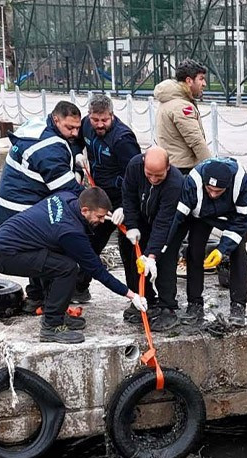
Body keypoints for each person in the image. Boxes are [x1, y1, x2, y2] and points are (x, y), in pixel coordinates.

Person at [0, 188, 148, 344]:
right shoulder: (71, 232)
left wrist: (112, 212)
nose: (101, 221)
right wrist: (132, 295)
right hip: (5, 254)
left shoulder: (65, 197)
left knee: (57, 258)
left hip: (11, 242)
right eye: (99, 217)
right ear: (85, 211)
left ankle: (56, 312)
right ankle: (51, 326)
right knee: (67, 269)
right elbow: (97, 270)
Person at [0, 101, 86, 313]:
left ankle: (37, 296)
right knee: (49, 253)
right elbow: (65, 189)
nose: (74, 133)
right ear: (56, 119)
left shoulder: (38, 127)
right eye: (69, 128)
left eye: (77, 128)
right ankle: (47, 302)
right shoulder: (49, 149)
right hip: (21, 207)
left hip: (8, 204)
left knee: (34, 250)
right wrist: (93, 200)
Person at [152, 157, 247, 328]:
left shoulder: (242, 182)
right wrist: (158, 250)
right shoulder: (192, 182)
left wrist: (222, 249)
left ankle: (238, 306)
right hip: (202, 215)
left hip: (232, 215)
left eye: (218, 191)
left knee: (239, 252)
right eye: (210, 189)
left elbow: (243, 220)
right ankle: (195, 303)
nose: (213, 194)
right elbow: (175, 221)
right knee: (194, 251)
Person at [74, 93, 141, 305]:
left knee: (129, 250)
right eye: (96, 120)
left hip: (122, 199)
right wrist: (77, 158)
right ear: (89, 116)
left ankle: (137, 296)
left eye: (105, 120)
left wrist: (125, 207)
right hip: (98, 197)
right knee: (90, 243)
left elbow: (136, 175)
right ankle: (79, 287)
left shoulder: (123, 140)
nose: (100, 125)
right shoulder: (86, 125)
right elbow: (75, 140)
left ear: (112, 115)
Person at [122, 146, 186, 330]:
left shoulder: (175, 183)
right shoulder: (134, 166)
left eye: (159, 175)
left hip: (168, 224)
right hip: (142, 219)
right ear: (143, 164)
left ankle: (168, 306)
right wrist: (132, 225)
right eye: (149, 174)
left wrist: (152, 256)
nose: (153, 179)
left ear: (168, 168)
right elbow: (128, 196)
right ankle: (145, 298)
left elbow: (163, 222)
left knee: (165, 262)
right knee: (135, 258)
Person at [153, 60, 212, 175]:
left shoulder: (170, 99)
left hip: (172, 165)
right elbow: (196, 141)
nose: (204, 83)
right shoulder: (181, 106)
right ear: (189, 81)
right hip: (184, 169)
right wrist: (211, 168)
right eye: (201, 79)